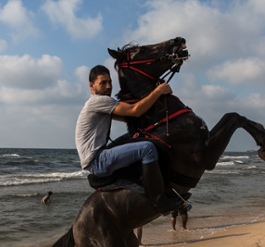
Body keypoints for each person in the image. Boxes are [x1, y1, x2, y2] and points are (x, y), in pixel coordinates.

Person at [75, 65, 187, 214]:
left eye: (110, 82)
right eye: (103, 83)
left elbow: (131, 116)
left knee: (137, 137)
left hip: (98, 157)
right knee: (147, 149)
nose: (108, 86)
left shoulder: (101, 104)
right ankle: (160, 202)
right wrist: (158, 91)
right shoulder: (98, 101)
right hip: (98, 160)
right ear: (91, 86)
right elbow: (135, 111)